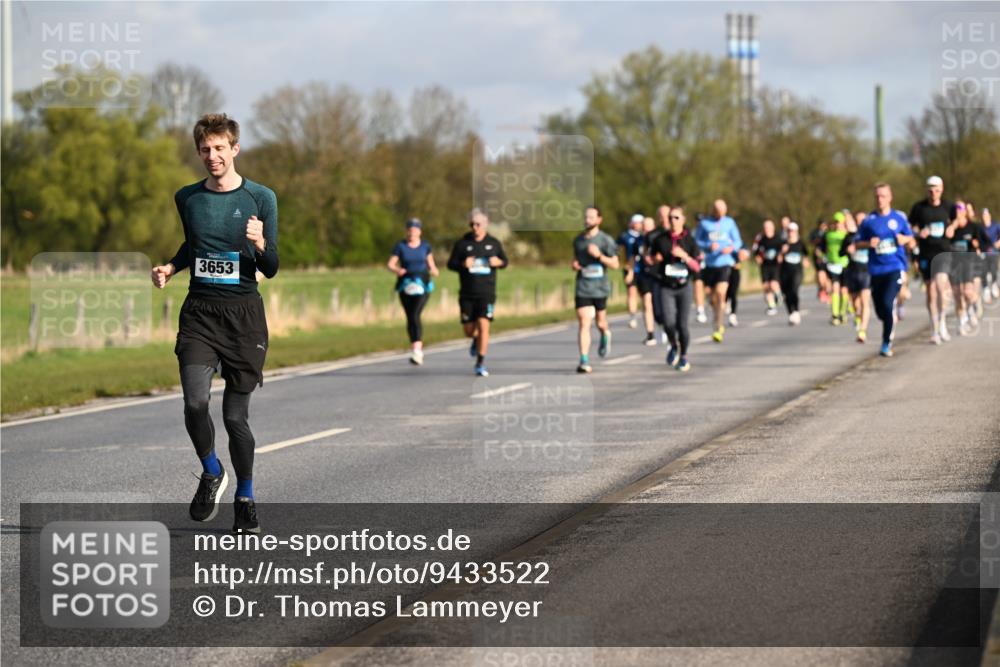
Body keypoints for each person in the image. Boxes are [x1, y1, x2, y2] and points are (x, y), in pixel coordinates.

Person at [151, 114, 278, 534]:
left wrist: (260, 244)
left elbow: (272, 266)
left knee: (235, 418)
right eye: (205, 149)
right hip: (200, 315)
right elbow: (193, 245)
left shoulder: (262, 197)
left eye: (220, 148)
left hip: (244, 318)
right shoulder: (187, 198)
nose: (212, 155)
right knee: (194, 403)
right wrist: (171, 267)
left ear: (234, 149)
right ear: (198, 152)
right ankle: (211, 471)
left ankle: (246, 497)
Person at [446, 208, 509, 376]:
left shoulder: (494, 243)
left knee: (483, 324)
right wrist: (462, 264)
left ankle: (480, 362)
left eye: (478, 224)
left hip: (486, 293)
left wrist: (498, 262)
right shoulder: (462, 244)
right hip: (467, 293)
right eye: (472, 224)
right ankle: (475, 339)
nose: (475, 227)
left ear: (486, 224)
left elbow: (505, 262)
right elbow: (450, 264)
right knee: (469, 330)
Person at [855, 183, 916, 357]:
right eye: (877, 196)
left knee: (888, 303)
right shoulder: (868, 221)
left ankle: (886, 343)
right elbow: (857, 243)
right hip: (875, 270)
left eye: (883, 196)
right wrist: (868, 243)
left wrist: (904, 239)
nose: (879, 199)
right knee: (881, 310)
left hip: (895, 267)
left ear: (890, 198)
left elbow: (912, 241)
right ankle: (889, 317)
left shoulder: (899, 218)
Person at [650, 206, 702, 372]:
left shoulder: (690, 240)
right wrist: (654, 259)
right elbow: (650, 259)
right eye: (670, 217)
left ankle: (684, 356)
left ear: (683, 220)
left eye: (676, 217)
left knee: (682, 325)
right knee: (668, 322)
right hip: (666, 286)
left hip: (684, 287)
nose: (672, 220)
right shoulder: (660, 239)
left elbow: (697, 267)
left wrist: (684, 256)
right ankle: (673, 345)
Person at [572, 206, 620, 373]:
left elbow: (615, 264)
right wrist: (575, 265)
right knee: (584, 321)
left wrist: (599, 256)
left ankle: (605, 333)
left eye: (591, 217)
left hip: (600, 288)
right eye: (586, 217)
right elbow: (576, 260)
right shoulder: (578, 241)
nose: (587, 220)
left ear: (599, 220)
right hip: (583, 286)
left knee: (600, 322)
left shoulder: (606, 240)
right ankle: (584, 360)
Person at [908, 175, 954, 344]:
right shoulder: (919, 208)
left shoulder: (948, 206)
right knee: (931, 291)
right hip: (926, 253)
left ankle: (942, 322)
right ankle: (934, 328)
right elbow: (909, 226)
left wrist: (952, 227)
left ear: (941, 189)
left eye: (936, 190)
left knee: (941, 285)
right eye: (930, 190)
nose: (933, 193)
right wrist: (918, 232)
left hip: (943, 251)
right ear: (927, 190)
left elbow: (959, 218)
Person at [387, 218, 439, 364]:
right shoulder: (400, 246)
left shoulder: (425, 246)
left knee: (415, 314)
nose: (412, 233)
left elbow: (431, 264)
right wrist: (398, 270)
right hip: (406, 284)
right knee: (410, 316)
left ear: (420, 231)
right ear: (407, 231)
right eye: (410, 230)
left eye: (415, 230)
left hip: (422, 284)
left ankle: (417, 350)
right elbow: (391, 264)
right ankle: (415, 347)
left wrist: (434, 271)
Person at [695, 199, 743, 342]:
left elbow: (738, 241)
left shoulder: (729, 222)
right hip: (709, 264)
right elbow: (697, 241)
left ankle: (718, 326)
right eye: (718, 212)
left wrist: (731, 248)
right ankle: (717, 316)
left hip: (725, 262)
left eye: (723, 212)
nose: (721, 215)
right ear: (714, 210)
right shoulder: (704, 223)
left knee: (721, 294)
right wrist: (708, 246)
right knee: (711, 297)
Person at [843, 216, 872, 343]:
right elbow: (841, 252)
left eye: (862, 220)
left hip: (866, 272)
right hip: (852, 272)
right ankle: (858, 318)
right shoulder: (849, 237)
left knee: (865, 302)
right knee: (855, 303)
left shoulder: (871, 235)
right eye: (858, 220)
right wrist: (847, 250)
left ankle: (862, 331)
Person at [819, 211, 850, 325]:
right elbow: (822, 248)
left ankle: (842, 313)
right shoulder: (828, 235)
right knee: (835, 288)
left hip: (845, 264)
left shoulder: (847, 235)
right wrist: (822, 256)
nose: (838, 224)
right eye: (836, 222)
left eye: (840, 222)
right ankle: (835, 315)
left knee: (844, 290)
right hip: (833, 265)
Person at [617, 214, 645, 329]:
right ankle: (633, 316)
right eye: (638, 222)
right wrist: (626, 267)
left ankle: (647, 314)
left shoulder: (644, 236)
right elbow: (619, 252)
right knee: (631, 292)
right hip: (629, 268)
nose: (640, 225)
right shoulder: (624, 237)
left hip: (643, 269)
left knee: (645, 295)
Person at [778, 223, 808, 325]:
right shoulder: (783, 243)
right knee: (786, 294)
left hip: (797, 271)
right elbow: (778, 259)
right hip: (784, 272)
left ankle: (796, 311)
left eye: (793, 231)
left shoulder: (800, 243)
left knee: (794, 290)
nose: (791, 233)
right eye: (789, 231)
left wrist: (805, 261)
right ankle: (791, 313)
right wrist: (782, 252)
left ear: (796, 231)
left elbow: (806, 255)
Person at [753, 219, 783, 315]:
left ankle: (778, 295)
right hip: (765, 265)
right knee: (766, 286)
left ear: (773, 228)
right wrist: (757, 257)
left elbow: (783, 249)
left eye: (769, 227)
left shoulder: (778, 238)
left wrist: (781, 256)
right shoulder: (760, 239)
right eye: (765, 227)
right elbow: (755, 251)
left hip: (775, 265)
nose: (767, 229)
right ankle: (771, 306)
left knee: (773, 284)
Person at [726, 248, 750, 327]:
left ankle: (732, 315)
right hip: (721, 270)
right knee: (723, 293)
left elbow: (746, 253)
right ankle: (725, 305)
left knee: (733, 293)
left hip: (734, 270)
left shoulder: (737, 242)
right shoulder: (719, 242)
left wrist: (742, 257)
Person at [982, 207, 1000, 303]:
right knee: (984, 271)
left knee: (993, 269)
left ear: (989, 215)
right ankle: (986, 289)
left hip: (994, 252)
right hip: (983, 253)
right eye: (983, 215)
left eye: (986, 215)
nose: (985, 217)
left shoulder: (996, 225)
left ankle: (994, 285)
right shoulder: (980, 227)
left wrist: (998, 242)